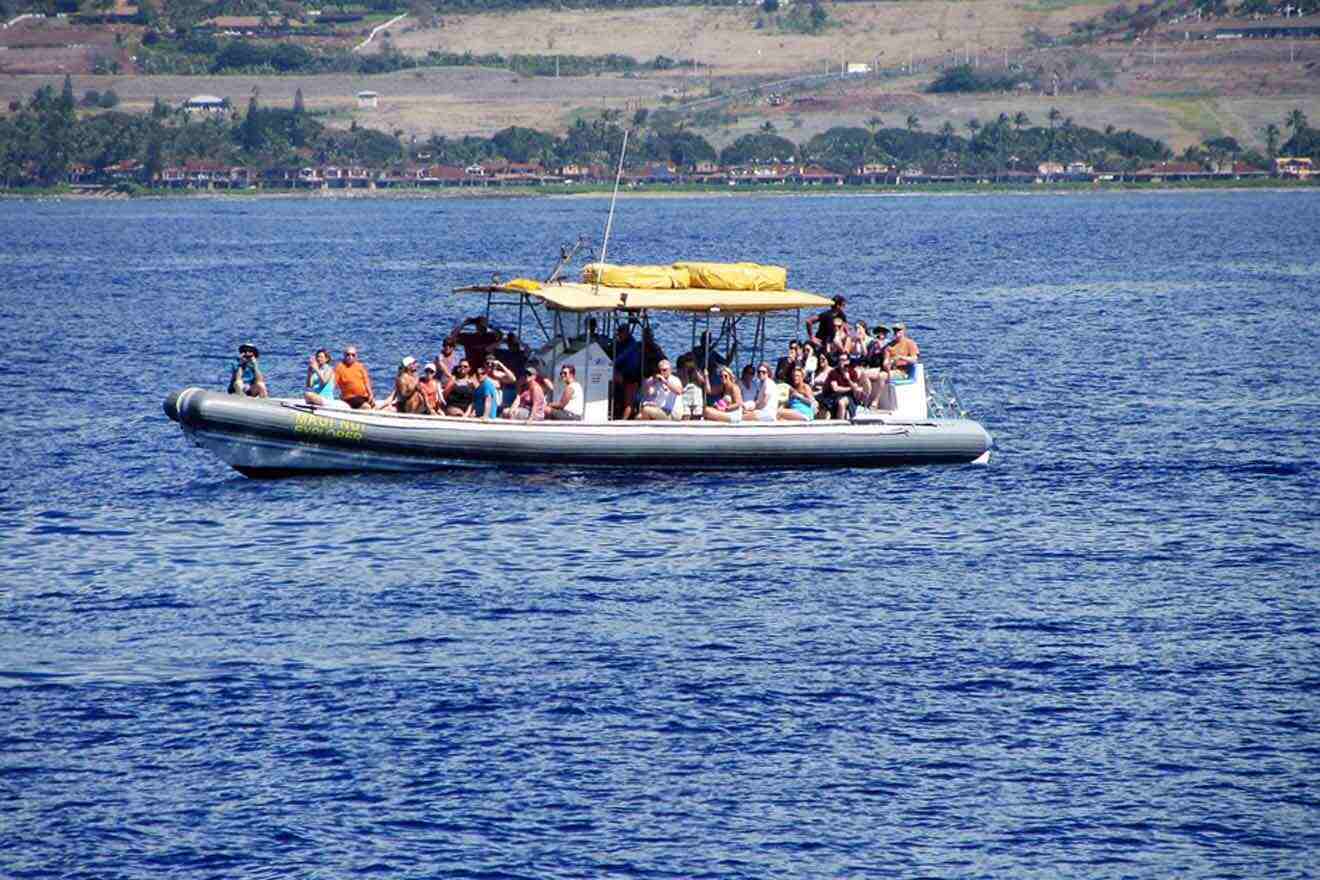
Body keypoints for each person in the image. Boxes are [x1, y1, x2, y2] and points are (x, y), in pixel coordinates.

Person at [819, 353, 864, 420]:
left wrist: (848, 379)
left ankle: (840, 423)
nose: (841, 362)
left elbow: (856, 388)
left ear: (848, 361)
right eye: (840, 360)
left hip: (849, 397)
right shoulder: (833, 372)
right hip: (833, 396)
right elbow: (836, 388)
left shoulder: (852, 372)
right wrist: (851, 388)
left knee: (842, 402)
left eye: (843, 360)